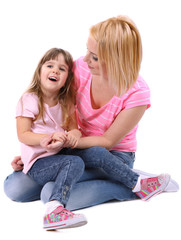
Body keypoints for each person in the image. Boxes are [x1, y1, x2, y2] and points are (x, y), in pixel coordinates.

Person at [4, 16, 179, 212]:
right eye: (87, 50)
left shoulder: (138, 93)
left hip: (111, 154)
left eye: (94, 57)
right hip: (73, 148)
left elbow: (107, 141)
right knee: (15, 188)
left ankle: (138, 184)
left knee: (50, 193)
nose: (85, 59)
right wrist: (40, 152)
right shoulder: (82, 68)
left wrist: (67, 143)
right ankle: (137, 181)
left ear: (115, 61)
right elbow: (59, 112)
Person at [13, 47, 87, 230]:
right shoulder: (29, 99)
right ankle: (54, 209)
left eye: (62, 69)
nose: (55, 70)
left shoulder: (66, 103)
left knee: (93, 154)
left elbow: (74, 129)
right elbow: (23, 134)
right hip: (38, 164)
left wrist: (70, 136)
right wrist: (45, 139)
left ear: (66, 80)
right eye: (50, 65)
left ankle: (134, 180)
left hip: (57, 156)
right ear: (40, 71)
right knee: (75, 163)